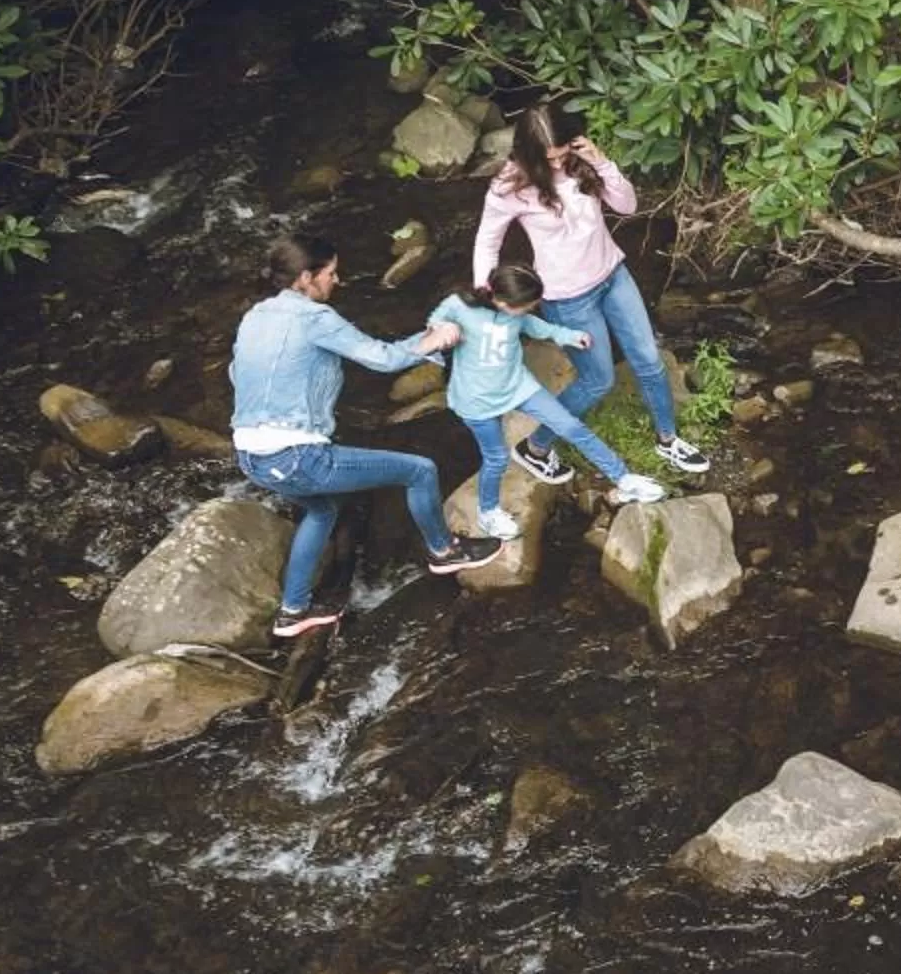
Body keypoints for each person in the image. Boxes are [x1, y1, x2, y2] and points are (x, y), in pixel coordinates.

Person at [230, 232, 506, 638]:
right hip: (296, 456)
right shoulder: (314, 318)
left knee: (322, 511)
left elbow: (236, 374)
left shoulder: (256, 316)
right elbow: (383, 358)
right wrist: (432, 340)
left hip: (251, 457)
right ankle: (445, 551)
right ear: (306, 278)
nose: (337, 281)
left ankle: (293, 611)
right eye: (331, 273)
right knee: (420, 471)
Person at [470, 102, 709, 490]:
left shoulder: (584, 162)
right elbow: (487, 242)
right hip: (567, 299)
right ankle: (535, 447)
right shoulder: (509, 186)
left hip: (613, 275)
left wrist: (602, 163)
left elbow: (628, 206)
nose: (558, 164)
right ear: (529, 153)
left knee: (649, 360)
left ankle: (668, 440)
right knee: (598, 381)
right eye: (549, 159)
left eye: (562, 153)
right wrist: (487, 296)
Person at [430, 264, 668, 535]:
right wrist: (441, 330)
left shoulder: (517, 316)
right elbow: (435, 324)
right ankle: (488, 513)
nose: (534, 307)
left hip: (517, 386)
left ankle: (625, 479)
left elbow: (538, 327)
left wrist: (571, 336)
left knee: (571, 426)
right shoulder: (461, 310)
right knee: (496, 458)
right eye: (530, 303)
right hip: (477, 400)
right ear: (505, 301)